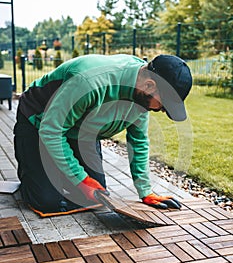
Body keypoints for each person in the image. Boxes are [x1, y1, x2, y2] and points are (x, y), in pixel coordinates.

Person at [14, 53, 192, 217]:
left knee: (97, 195)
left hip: (79, 130)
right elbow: (51, 130)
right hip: (38, 121)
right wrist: (81, 179)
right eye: (163, 104)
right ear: (148, 85)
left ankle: (56, 170)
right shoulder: (90, 81)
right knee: (47, 201)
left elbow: (138, 142)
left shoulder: (141, 97)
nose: (161, 110)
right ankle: (33, 172)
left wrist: (146, 192)